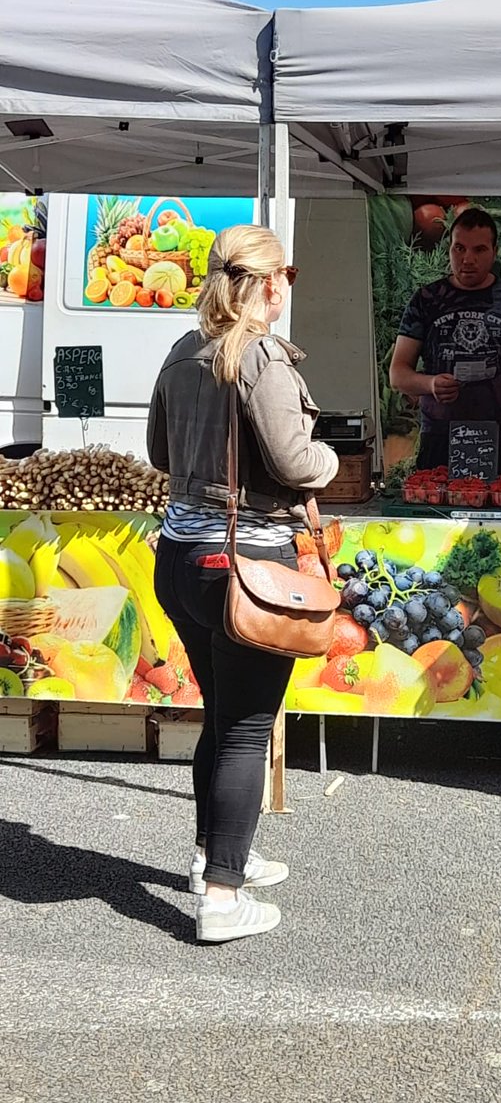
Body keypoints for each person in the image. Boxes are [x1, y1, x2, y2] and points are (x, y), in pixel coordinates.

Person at [148, 224, 338, 941]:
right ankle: (222, 899)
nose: (290, 283)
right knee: (246, 729)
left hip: (180, 559)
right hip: (246, 565)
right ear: (265, 282)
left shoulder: (180, 351)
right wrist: (325, 460)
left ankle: (214, 858)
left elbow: (159, 451)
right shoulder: (260, 358)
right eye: (287, 271)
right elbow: (294, 462)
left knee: (224, 715)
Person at [389, 207, 501, 473]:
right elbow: (398, 374)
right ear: (449, 249)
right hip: (441, 438)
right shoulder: (427, 299)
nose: (467, 259)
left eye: (479, 250)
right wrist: (430, 383)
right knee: (435, 513)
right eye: (459, 249)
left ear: (494, 252)